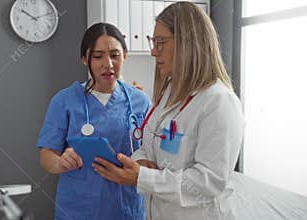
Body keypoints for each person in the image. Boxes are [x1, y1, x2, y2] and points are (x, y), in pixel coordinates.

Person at [93, 2, 307, 220]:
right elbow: (149, 147)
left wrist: (144, 177)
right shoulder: (170, 92)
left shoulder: (219, 102)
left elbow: (208, 183)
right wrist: (138, 163)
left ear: (188, 43)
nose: (153, 51)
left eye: (160, 42)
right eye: (153, 41)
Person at [36, 22, 150, 220]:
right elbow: (46, 156)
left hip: (127, 208)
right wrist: (61, 162)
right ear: (84, 59)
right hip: (79, 209)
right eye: (98, 56)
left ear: (125, 55)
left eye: (115, 55)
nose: (108, 64)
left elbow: (151, 153)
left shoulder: (140, 101)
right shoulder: (64, 101)